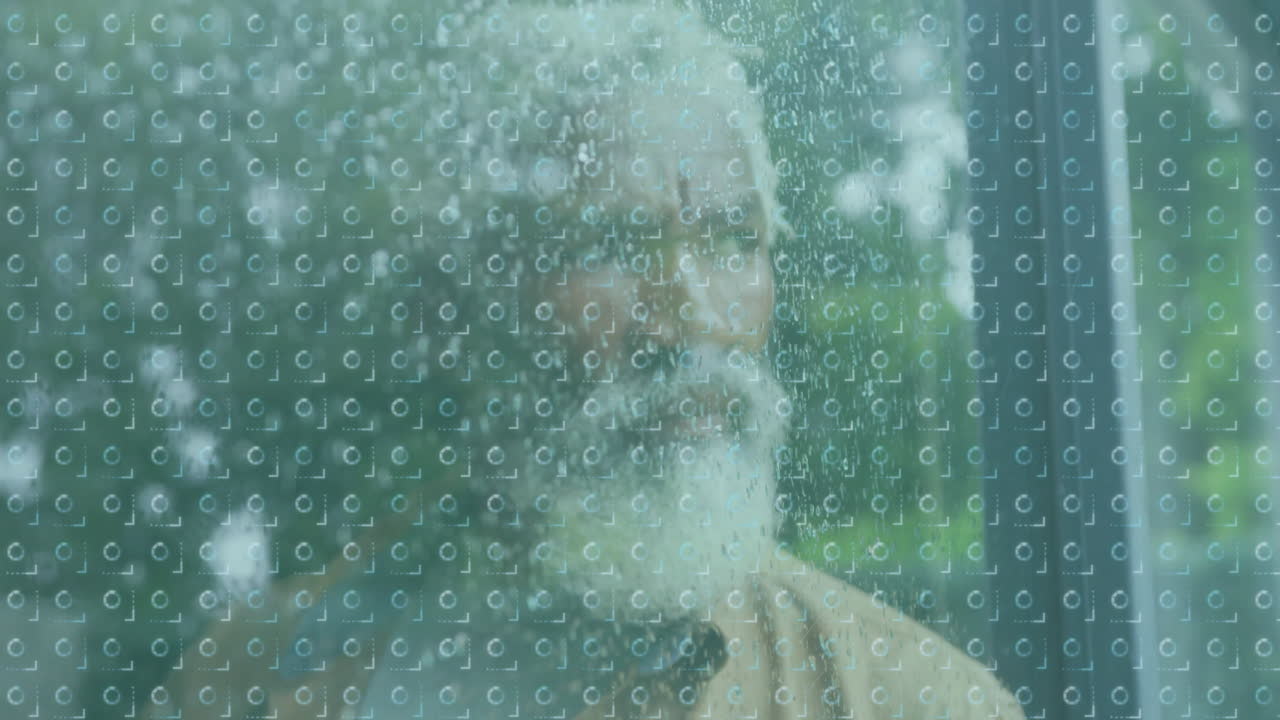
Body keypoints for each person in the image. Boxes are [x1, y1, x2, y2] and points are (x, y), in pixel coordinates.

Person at [145, 2, 1027, 718]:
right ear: (447, 315)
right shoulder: (244, 682)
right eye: (608, 243)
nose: (693, 319)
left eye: (731, 239)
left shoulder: (911, 703)